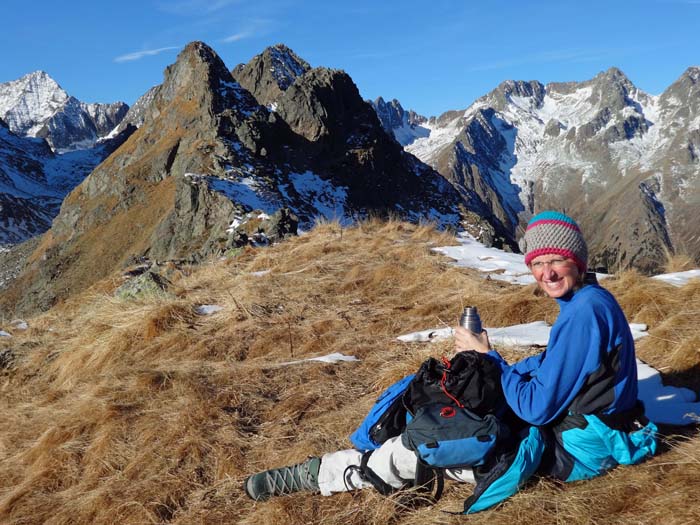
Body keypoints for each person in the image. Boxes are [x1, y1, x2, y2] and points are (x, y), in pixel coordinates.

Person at [244, 210, 657, 502]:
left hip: (578, 447)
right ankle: (374, 454)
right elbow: (566, 366)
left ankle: (335, 473)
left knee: (442, 440)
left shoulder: (584, 312)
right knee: (466, 406)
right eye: (538, 262)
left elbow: (536, 408)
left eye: (558, 261)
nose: (547, 273)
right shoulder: (589, 301)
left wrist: (492, 359)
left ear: (578, 261)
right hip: (589, 428)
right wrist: (508, 370)